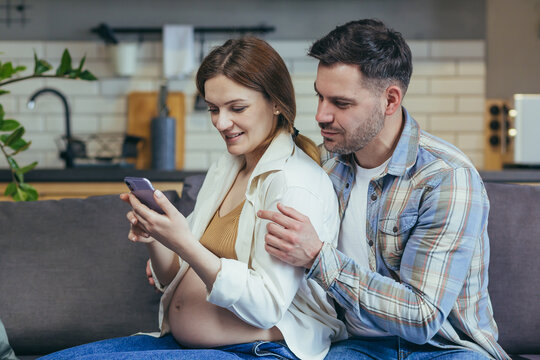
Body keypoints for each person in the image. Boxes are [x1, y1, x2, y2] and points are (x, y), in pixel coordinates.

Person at [38, 37, 346, 360]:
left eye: (236, 108)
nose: (222, 123)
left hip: (259, 352)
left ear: (276, 103)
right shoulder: (226, 168)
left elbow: (267, 305)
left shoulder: (294, 184)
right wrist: (156, 237)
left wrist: (184, 242)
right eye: (214, 109)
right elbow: (172, 276)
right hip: (188, 341)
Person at [257, 19, 510, 360]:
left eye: (341, 103)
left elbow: (423, 318)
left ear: (390, 100)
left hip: (443, 350)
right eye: (320, 96)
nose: (321, 115)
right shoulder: (325, 170)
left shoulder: (446, 177)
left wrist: (318, 257)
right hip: (354, 346)